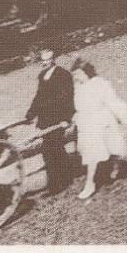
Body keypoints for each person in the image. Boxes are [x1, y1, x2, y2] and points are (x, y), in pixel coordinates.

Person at [71, 59, 127, 200]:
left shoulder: (100, 84)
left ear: (87, 72)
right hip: (88, 125)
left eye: (78, 74)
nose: (76, 77)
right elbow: (79, 107)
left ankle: (115, 168)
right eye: (74, 75)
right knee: (91, 155)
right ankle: (90, 184)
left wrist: (125, 117)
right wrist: (76, 115)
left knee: (113, 148)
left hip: (103, 122)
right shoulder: (78, 88)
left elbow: (113, 101)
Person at [25, 48, 76, 194]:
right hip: (45, 119)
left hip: (58, 117)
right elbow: (38, 96)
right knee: (50, 150)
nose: (44, 62)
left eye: (47, 59)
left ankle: (60, 183)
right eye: (42, 60)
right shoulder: (42, 76)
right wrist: (30, 114)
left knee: (54, 148)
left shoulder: (63, 74)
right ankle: (60, 180)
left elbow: (68, 97)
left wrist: (66, 118)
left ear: (53, 59)